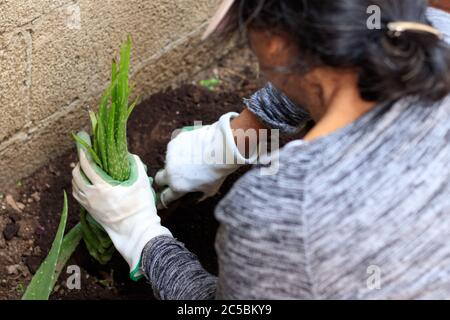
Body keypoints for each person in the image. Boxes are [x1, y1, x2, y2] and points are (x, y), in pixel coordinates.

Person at [72, 0, 450, 299]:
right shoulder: (431, 31)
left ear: (275, 41)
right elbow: (343, 62)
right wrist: (241, 133)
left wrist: (140, 235)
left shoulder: (287, 210)